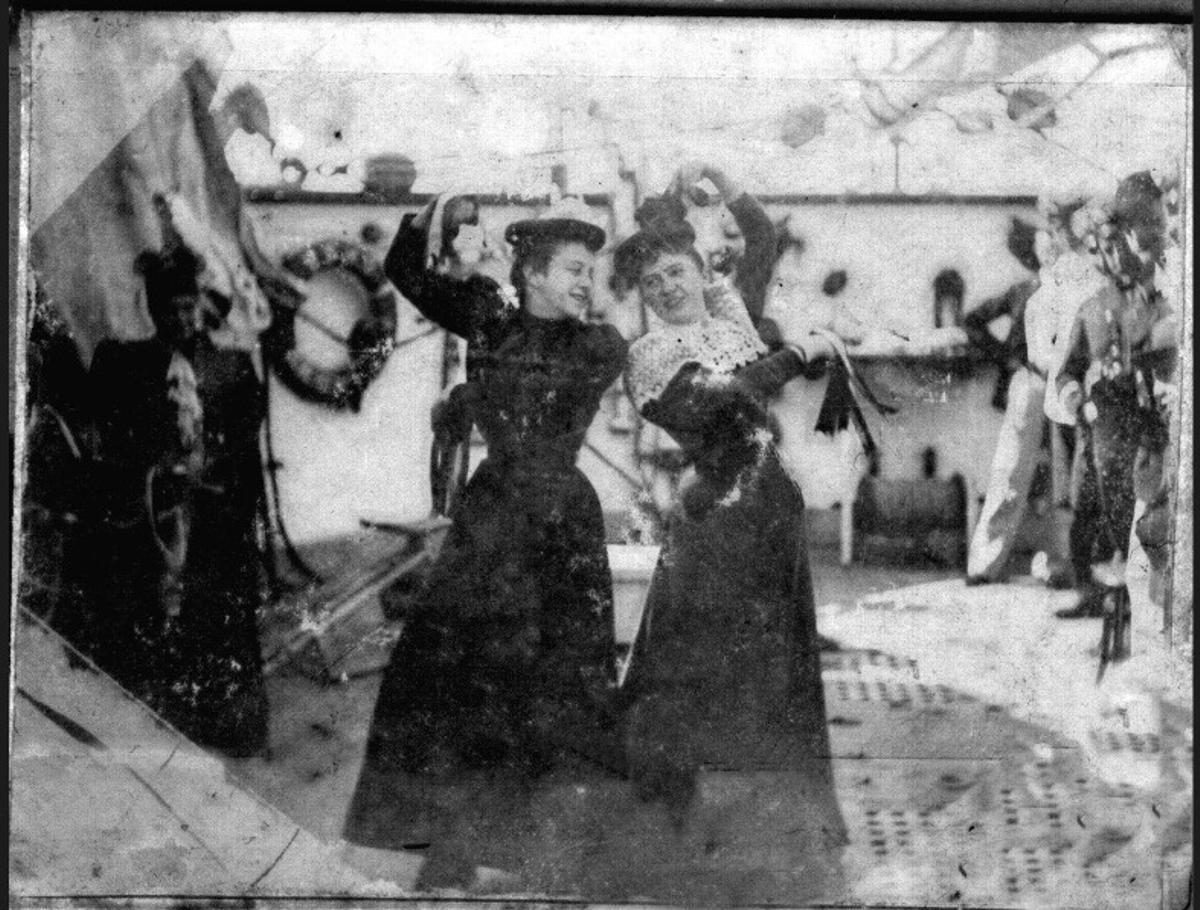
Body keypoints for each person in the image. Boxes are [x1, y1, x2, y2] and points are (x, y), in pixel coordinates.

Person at [343, 194, 629, 890]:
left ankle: (549, 853)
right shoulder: (488, 318)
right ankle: (454, 845)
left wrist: (477, 376)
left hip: (561, 523)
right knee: (462, 679)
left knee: (557, 684)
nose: (585, 283)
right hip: (493, 520)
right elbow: (406, 272)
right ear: (531, 273)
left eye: (590, 271)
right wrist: (434, 210)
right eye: (570, 269)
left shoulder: (600, 345)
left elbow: (541, 386)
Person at [611, 212, 848, 904]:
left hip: (770, 503)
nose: (667, 287)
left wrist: (721, 181)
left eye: (677, 272)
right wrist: (798, 354)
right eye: (653, 282)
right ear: (645, 296)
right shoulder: (649, 356)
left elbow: (761, 242)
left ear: (698, 270)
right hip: (713, 514)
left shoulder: (726, 321)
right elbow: (728, 397)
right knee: (682, 658)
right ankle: (668, 818)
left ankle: (785, 817)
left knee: (780, 657)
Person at [84, 207, 269, 756]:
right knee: (140, 608)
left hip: (213, 515)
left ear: (203, 306)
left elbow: (244, 448)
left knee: (218, 610)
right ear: (153, 310)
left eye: (190, 308)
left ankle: (226, 727)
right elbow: (109, 441)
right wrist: (152, 469)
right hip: (150, 514)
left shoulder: (232, 368)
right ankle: (141, 732)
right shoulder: (122, 364)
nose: (182, 320)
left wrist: (213, 472)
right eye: (170, 310)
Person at [1050, 175, 1174, 672]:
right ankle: (1089, 594)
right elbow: (1066, 371)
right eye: (1101, 251)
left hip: (1139, 427)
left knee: (1127, 518)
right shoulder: (1090, 307)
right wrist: (1078, 401)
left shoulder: (1155, 302)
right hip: (1095, 428)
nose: (1112, 258)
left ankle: (1123, 616)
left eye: (1116, 248)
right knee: (1087, 513)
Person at [963, 218, 1045, 584]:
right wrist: (1007, 359)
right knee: (1009, 473)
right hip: (1028, 385)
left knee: (1062, 479)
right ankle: (985, 564)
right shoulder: (1021, 292)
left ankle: (1061, 566)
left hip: (1067, 390)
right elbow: (973, 320)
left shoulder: (1076, 292)